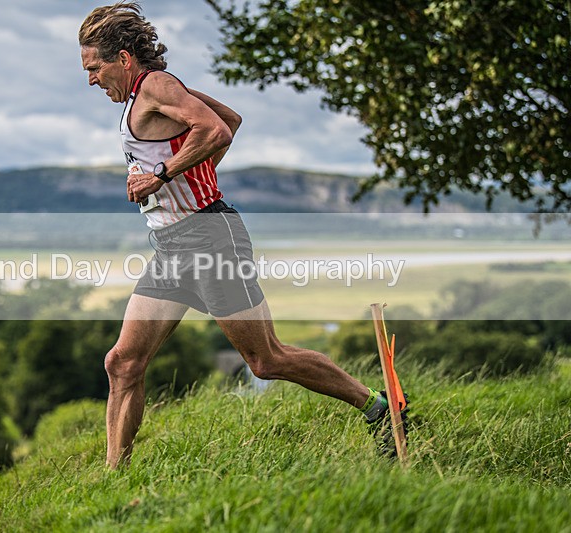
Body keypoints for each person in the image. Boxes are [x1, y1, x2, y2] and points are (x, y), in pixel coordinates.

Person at [79, 2, 399, 469]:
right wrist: (187, 174)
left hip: (210, 240)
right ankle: (112, 478)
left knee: (267, 360)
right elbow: (230, 122)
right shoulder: (153, 91)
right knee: (122, 363)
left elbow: (212, 128)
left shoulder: (157, 86)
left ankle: (380, 407)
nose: (91, 79)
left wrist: (162, 175)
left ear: (123, 59)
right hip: (171, 247)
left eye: (94, 68)